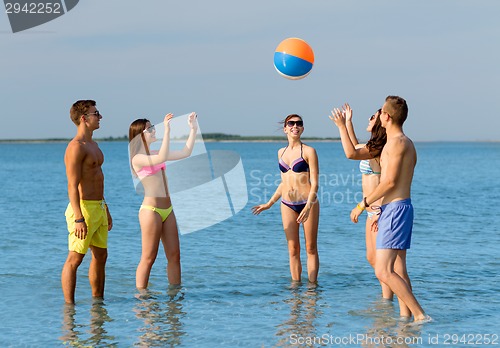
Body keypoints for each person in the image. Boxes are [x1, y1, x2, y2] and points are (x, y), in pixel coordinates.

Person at [332, 96, 427, 322]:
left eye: (380, 112)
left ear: (386, 116)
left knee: (383, 270)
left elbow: (390, 182)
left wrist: (362, 205)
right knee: (398, 269)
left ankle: (420, 315)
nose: (377, 116)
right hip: (394, 209)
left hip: (395, 208)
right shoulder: (401, 143)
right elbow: (356, 153)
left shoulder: (397, 144)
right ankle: (405, 319)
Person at [330, 104, 393, 300]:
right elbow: (356, 146)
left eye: (372, 117)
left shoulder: (378, 149)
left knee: (382, 264)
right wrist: (348, 122)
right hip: (370, 210)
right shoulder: (372, 146)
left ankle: (388, 299)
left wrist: (341, 126)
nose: (369, 119)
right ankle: (387, 299)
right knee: (372, 258)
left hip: (378, 210)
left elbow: (351, 153)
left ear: (380, 124)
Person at [128, 112, 197, 290]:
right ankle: (142, 299)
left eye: (153, 127)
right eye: (149, 128)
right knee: (149, 257)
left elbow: (185, 152)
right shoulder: (138, 158)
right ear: (139, 135)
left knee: (175, 255)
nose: (153, 130)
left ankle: (175, 297)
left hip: (168, 210)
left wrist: (193, 129)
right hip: (151, 211)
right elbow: (161, 158)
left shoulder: (156, 152)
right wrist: (167, 130)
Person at [252, 114, 320, 283]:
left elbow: (315, 184)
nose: (295, 126)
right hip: (287, 204)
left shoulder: (309, 151)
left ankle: (312, 289)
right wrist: (269, 203)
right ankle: (296, 290)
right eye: (291, 123)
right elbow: (283, 183)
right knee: (293, 249)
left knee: (310, 248)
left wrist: (309, 207)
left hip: (307, 203)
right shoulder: (280, 152)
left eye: (299, 123)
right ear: (285, 128)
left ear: (302, 129)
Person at [62, 100, 113, 304]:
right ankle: (69, 309)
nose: (99, 117)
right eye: (96, 113)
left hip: (98, 208)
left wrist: (105, 208)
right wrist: (78, 218)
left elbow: (97, 178)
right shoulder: (76, 148)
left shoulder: (94, 145)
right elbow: (72, 186)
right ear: (83, 118)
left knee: (101, 256)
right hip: (82, 210)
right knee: (75, 259)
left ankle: (98, 304)